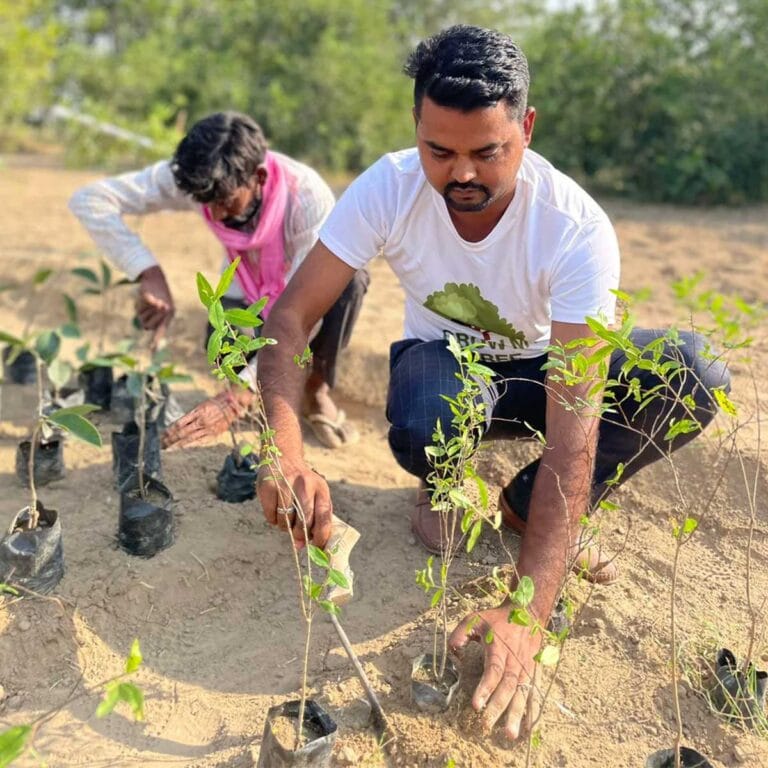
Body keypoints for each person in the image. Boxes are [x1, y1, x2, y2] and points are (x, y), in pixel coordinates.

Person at [252, 26, 730, 741]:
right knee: (422, 418)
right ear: (416, 128)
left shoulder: (574, 229)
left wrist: (530, 610)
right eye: (438, 151)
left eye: (488, 152)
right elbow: (289, 319)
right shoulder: (387, 186)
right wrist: (283, 451)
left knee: (695, 374)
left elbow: (576, 426)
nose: (461, 174)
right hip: (443, 360)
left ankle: (522, 505)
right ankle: (444, 481)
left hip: (546, 368)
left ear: (527, 129)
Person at [69, 111, 368, 449]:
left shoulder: (307, 197)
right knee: (226, 346)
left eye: (226, 202)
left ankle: (314, 388)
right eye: (206, 204)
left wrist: (236, 400)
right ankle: (259, 388)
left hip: (303, 300)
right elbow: (90, 200)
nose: (218, 215)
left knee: (348, 279)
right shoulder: (198, 178)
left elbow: (308, 308)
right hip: (246, 295)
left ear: (257, 176)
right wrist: (147, 272)